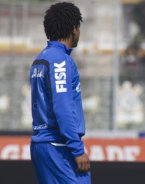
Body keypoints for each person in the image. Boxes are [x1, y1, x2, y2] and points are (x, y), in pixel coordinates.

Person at [29, 2, 91, 183]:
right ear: (74, 29)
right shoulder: (60, 61)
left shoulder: (41, 59)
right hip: (59, 147)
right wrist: (77, 149)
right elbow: (62, 107)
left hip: (41, 145)